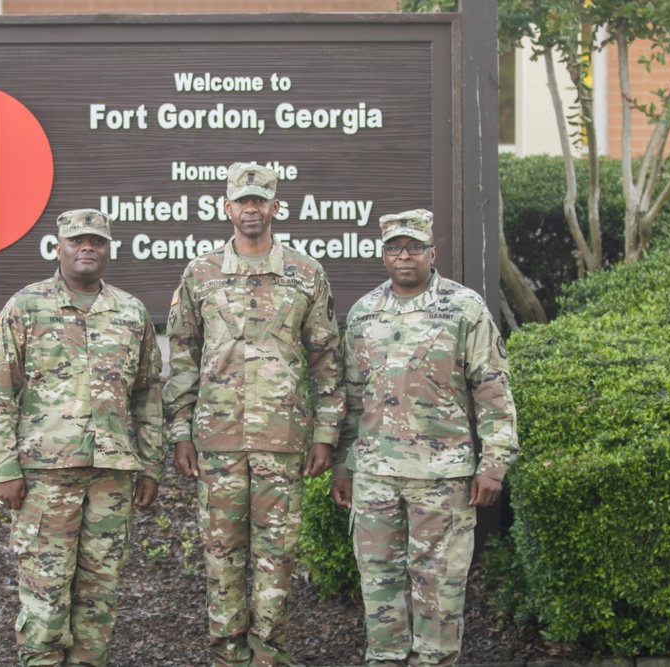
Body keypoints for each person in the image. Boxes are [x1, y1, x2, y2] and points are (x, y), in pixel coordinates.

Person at [164, 162, 344, 667]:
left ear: (275, 207)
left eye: (260, 200)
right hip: (216, 441)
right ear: (226, 208)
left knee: (277, 555)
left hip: (281, 441)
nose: (251, 209)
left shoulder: (306, 274)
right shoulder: (200, 274)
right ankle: (227, 656)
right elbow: (182, 356)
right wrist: (180, 431)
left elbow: (326, 358)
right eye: (242, 200)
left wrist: (325, 434)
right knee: (221, 557)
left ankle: (268, 655)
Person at [0, 209, 164, 667]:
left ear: (108, 249)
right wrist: (2, 468)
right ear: (57, 246)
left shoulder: (131, 312)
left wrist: (151, 465)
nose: (87, 248)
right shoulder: (26, 306)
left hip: (111, 477)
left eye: (96, 241)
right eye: (77, 240)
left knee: (99, 598)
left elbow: (148, 395)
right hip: (45, 477)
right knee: (46, 596)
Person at [330, 209, 519, 667]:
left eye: (414, 247)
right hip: (375, 477)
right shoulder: (363, 314)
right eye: (395, 248)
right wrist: (342, 464)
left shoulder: (464, 308)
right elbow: (351, 399)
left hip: (442, 479)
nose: (404, 256)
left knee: (439, 586)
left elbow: (493, 389)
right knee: (379, 584)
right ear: (383, 255)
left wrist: (493, 465)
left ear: (432, 252)